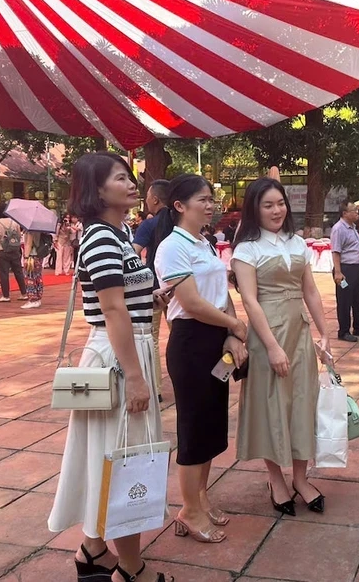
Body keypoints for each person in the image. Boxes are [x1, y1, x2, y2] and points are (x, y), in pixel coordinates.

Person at [47, 152, 173, 582]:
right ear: (97, 190)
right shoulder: (101, 237)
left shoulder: (115, 234)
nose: (132, 183)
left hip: (124, 351)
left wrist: (151, 297)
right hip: (120, 359)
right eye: (121, 178)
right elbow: (112, 310)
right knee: (126, 458)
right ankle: (131, 569)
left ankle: (92, 550)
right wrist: (136, 377)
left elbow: (125, 299)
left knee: (110, 451)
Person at [154, 174, 248, 544]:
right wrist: (236, 325)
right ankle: (188, 509)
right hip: (191, 342)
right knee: (193, 429)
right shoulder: (171, 247)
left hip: (215, 340)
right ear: (179, 206)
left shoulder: (203, 243)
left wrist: (229, 331)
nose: (211, 205)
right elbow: (191, 303)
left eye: (212, 199)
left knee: (212, 424)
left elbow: (218, 293)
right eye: (203, 199)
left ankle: (202, 498)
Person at [232, 177, 331, 517]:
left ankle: (301, 479)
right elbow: (249, 300)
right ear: (254, 209)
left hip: (299, 331)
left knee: (303, 401)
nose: (277, 210)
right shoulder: (247, 249)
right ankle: (276, 478)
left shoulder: (297, 243)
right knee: (272, 404)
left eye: (280, 203)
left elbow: (312, 291)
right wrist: (272, 347)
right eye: (267, 205)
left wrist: (324, 333)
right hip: (267, 334)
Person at [133, 179, 169, 403]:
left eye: (147, 195)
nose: (146, 199)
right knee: (181, 335)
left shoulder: (149, 225)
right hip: (180, 290)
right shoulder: (181, 222)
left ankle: (156, 388)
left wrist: (142, 278)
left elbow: (134, 252)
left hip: (155, 289)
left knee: (153, 339)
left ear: (155, 199)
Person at [331, 201, 359, 342]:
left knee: (358, 298)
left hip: (358, 269)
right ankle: (343, 331)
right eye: (353, 210)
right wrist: (338, 272)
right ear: (345, 213)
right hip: (345, 270)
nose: (357, 212)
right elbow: (336, 251)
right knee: (344, 300)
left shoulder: (352, 227)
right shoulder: (339, 229)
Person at [0, 201, 28, 303]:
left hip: (2, 250)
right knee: (18, 272)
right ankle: (24, 293)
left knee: (3, 273)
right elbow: (19, 236)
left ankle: (6, 296)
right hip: (15, 249)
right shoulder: (14, 221)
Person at [22, 229, 46, 309]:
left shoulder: (30, 230)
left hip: (31, 256)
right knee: (37, 276)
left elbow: (28, 244)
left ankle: (33, 299)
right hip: (39, 255)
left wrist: (25, 257)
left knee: (30, 277)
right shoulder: (41, 229)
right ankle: (38, 297)